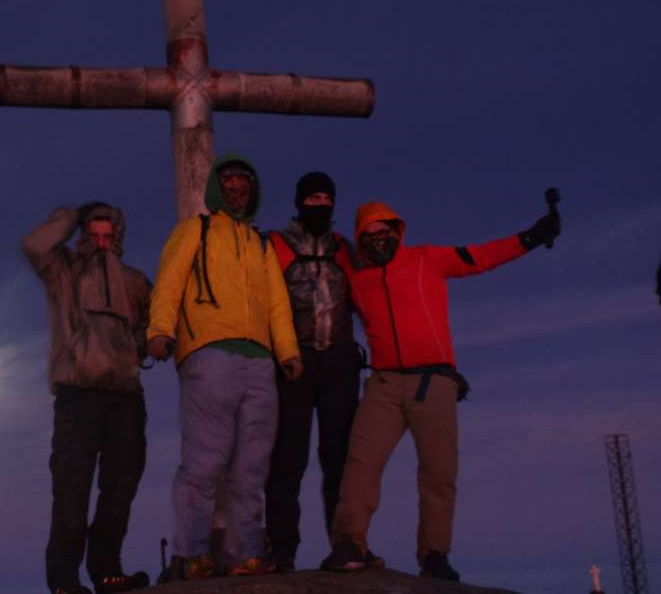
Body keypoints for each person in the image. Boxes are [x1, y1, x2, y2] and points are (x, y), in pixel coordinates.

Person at [321, 200, 561, 581]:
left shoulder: (426, 259)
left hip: (433, 383)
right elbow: (323, 252)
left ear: (397, 231)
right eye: (370, 234)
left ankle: (434, 554)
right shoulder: (356, 275)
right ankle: (350, 543)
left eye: (385, 232)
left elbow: (480, 257)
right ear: (360, 239)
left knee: (438, 473)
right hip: (382, 384)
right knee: (361, 464)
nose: (379, 239)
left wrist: (530, 238)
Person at [147, 154, 302, 579]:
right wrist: (158, 330)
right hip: (209, 354)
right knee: (204, 461)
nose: (237, 187)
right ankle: (193, 553)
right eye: (229, 180)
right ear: (217, 187)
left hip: (260, 362)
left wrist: (288, 353)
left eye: (244, 181)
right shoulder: (194, 231)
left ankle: (245, 553)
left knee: (251, 467)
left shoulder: (261, 244)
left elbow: (277, 305)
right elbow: (169, 282)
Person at [22, 202, 153, 594]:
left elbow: (155, 322)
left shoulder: (134, 282)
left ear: (118, 238)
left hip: (126, 397)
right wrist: (74, 214)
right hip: (77, 395)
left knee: (120, 490)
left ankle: (107, 571)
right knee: (71, 491)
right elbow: (34, 245)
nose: (100, 244)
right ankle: (64, 581)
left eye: (107, 237)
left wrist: (138, 347)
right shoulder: (63, 271)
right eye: (93, 235)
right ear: (83, 235)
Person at [263, 172, 368, 572]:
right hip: (293, 361)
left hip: (340, 361)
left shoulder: (345, 249)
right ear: (300, 201)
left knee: (339, 457)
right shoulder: (276, 245)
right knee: (287, 457)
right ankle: (282, 548)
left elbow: (365, 297)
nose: (321, 204)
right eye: (313, 197)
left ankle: (345, 544)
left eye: (327, 197)